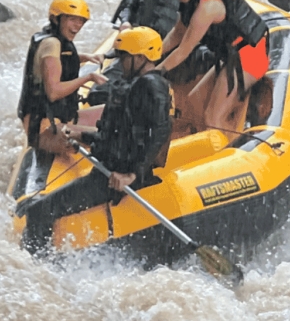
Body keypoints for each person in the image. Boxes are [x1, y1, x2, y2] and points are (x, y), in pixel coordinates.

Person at [18, 27, 174, 253]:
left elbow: (160, 131)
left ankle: (37, 268)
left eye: (124, 57)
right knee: (34, 206)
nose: (119, 63)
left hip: (112, 178)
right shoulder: (136, 85)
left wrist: (132, 174)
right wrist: (82, 135)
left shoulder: (151, 86)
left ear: (141, 57)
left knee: (39, 212)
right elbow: (118, 136)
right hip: (107, 169)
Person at [159, 0, 268, 138]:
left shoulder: (208, 7)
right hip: (232, 55)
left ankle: (231, 156)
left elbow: (183, 51)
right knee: (194, 102)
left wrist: (153, 73)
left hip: (251, 55)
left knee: (212, 117)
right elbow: (176, 35)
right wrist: (150, 55)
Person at [16, 0, 105, 156]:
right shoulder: (51, 44)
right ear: (56, 19)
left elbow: (59, 62)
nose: (77, 26)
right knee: (114, 136)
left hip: (57, 118)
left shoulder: (54, 39)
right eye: (72, 19)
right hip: (44, 128)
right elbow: (54, 92)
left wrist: (85, 57)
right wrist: (88, 77)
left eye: (81, 21)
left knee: (116, 114)